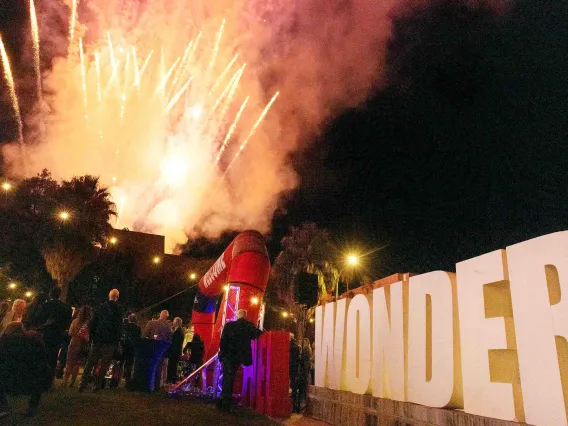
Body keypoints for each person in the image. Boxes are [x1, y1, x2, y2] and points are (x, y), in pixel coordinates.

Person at [0, 322, 50, 418]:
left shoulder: (5, 341)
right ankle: (32, 407)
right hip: (32, 375)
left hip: (11, 376)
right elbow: (44, 357)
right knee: (39, 378)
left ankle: (2, 406)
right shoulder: (34, 340)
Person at [217, 309, 262, 412]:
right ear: (245, 317)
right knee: (231, 378)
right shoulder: (248, 326)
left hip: (228, 355)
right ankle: (224, 402)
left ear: (237, 316)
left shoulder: (229, 326)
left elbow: (223, 341)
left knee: (227, 379)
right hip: (239, 356)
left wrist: (222, 354)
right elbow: (258, 334)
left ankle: (224, 403)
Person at [79, 289, 123, 392]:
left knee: (90, 362)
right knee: (104, 364)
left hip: (98, 338)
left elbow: (93, 322)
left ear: (109, 296)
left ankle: (83, 384)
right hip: (110, 341)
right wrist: (117, 340)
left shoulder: (100, 307)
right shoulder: (118, 310)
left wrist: (92, 336)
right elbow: (119, 327)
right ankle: (97, 385)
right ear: (117, 297)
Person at [34, 287, 72, 387]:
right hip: (57, 335)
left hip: (44, 333)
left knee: (43, 356)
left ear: (50, 295)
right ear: (59, 295)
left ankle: (40, 378)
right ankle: (50, 381)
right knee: (54, 358)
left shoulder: (44, 306)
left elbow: (38, 319)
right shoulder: (66, 307)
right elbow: (67, 323)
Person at [63, 305, 92, 388]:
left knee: (69, 362)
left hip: (73, 343)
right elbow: (88, 336)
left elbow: (70, 333)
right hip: (82, 344)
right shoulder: (88, 324)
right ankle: (72, 382)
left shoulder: (75, 321)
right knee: (77, 364)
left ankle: (65, 381)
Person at [122, 313, 141, 385]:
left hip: (124, 346)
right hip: (132, 347)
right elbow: (139, 338)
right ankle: (128, 378)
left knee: (121, 362)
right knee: (129, 363)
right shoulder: (138, 328)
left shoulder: (125, 326)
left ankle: (117, 377)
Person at [167, 317, 184, 383]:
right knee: (174, 367)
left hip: (174, 353)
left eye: (174, 321)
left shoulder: (178, 332)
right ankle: (172, 381)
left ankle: (171, 381)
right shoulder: (180, 331)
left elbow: (174, 343)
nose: (173, 322)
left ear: (176, 322)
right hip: (177, 353)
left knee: (172, 367)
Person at [289, 333, 300, 405]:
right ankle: (294, 393)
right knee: (293, 379)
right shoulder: (296, 346)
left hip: (292, 365)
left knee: (292, 379)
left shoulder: (291, 345)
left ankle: (293, 394)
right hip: (295, 365)